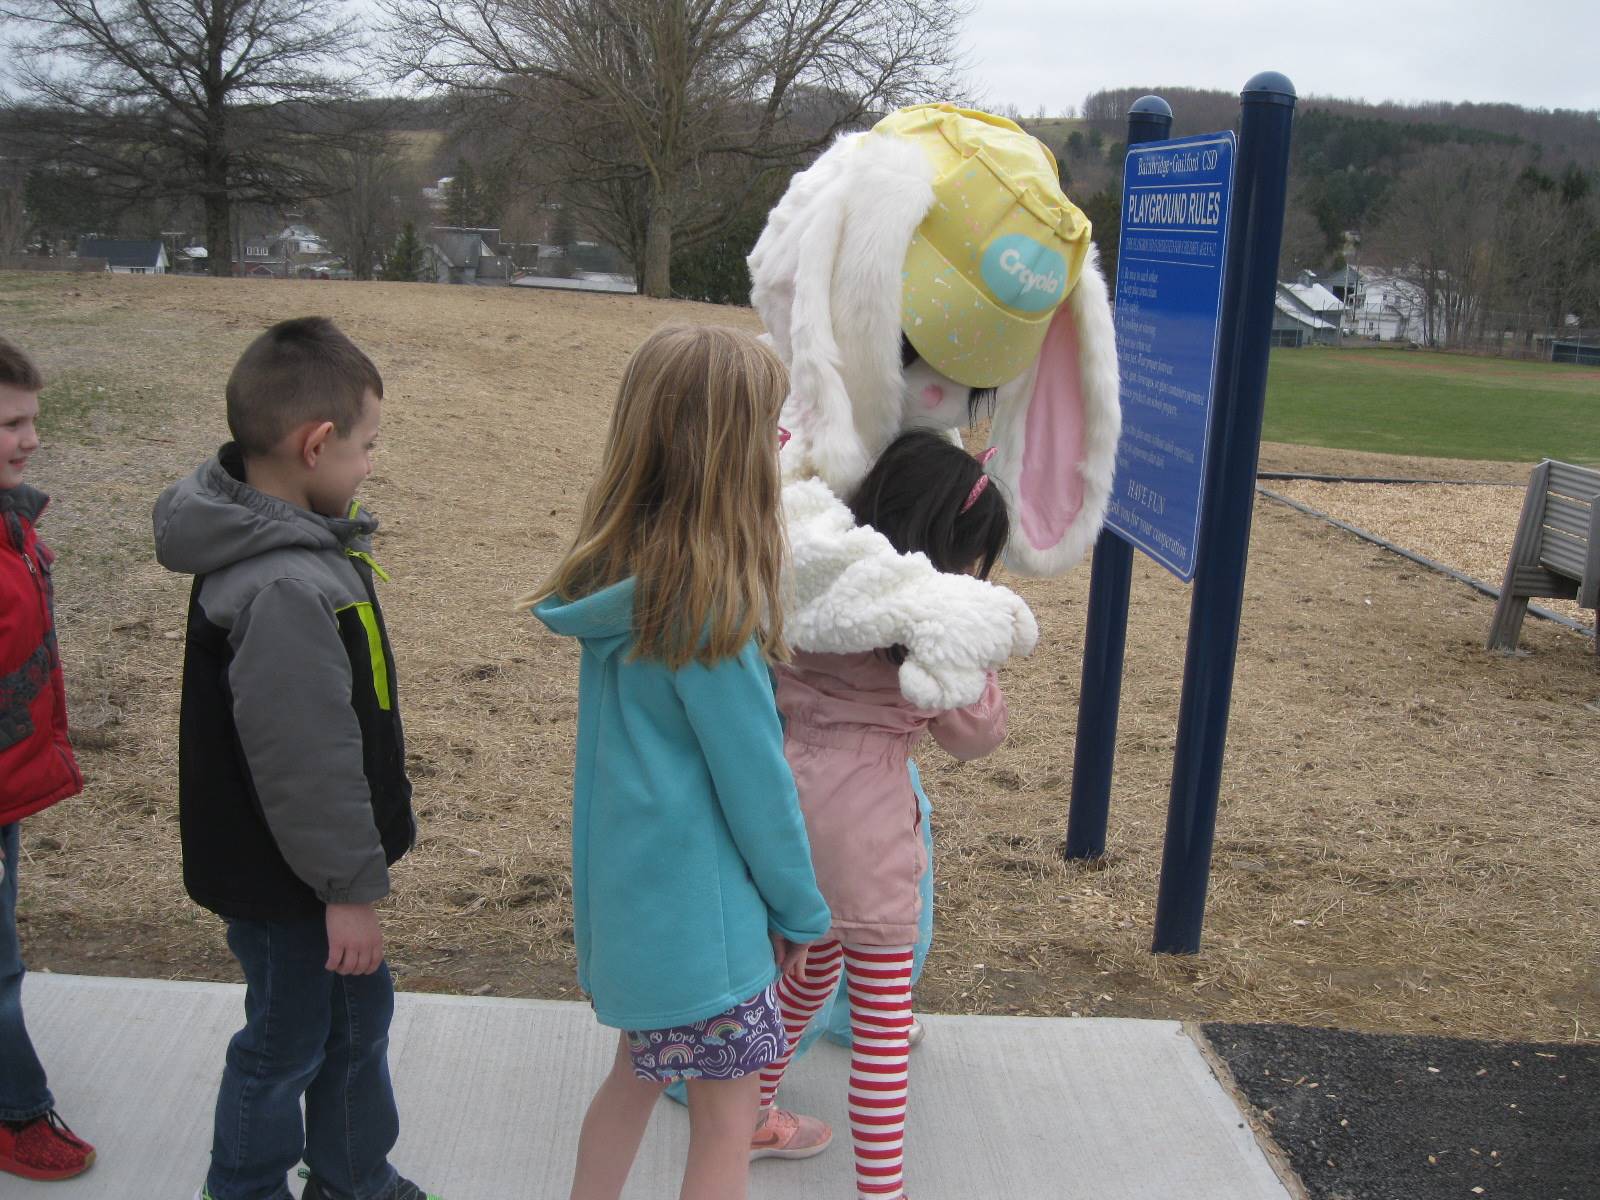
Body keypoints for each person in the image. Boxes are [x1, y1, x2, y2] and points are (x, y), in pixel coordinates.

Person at [526, 324, 832, 1200]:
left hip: (635, 921)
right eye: (771, 430)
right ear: (737, 455)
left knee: (631, 1084)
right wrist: (804, 915)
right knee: (727, 1127)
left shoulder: (618, 593)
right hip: (711, 934)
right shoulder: (707, 619)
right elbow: (759, 792)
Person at [152, 317, 439, 1200]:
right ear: (315, 445)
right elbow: (306, 765)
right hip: (292, 884)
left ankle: (354, 1176)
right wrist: (348, 894)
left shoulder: (292, 547)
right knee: (286, 1042)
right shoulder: (282, 585)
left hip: (308, 874)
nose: (368, 466)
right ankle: (243, 1186)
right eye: (365, 446)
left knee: (356, 1023)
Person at [757, 429, 1014, 1200]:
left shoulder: (812, 580)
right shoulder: (929, 625)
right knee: (879, 1029)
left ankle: (751, 1107)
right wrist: (982, 667)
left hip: (779, 808)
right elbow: (973, 736)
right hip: (866, 837)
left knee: (805, 968)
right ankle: (883, 1191)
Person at [0, 336, 96, 1183]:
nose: (28, 438)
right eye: (8, 423)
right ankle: (15, 1112)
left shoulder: (11, 522)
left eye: (31, 418)